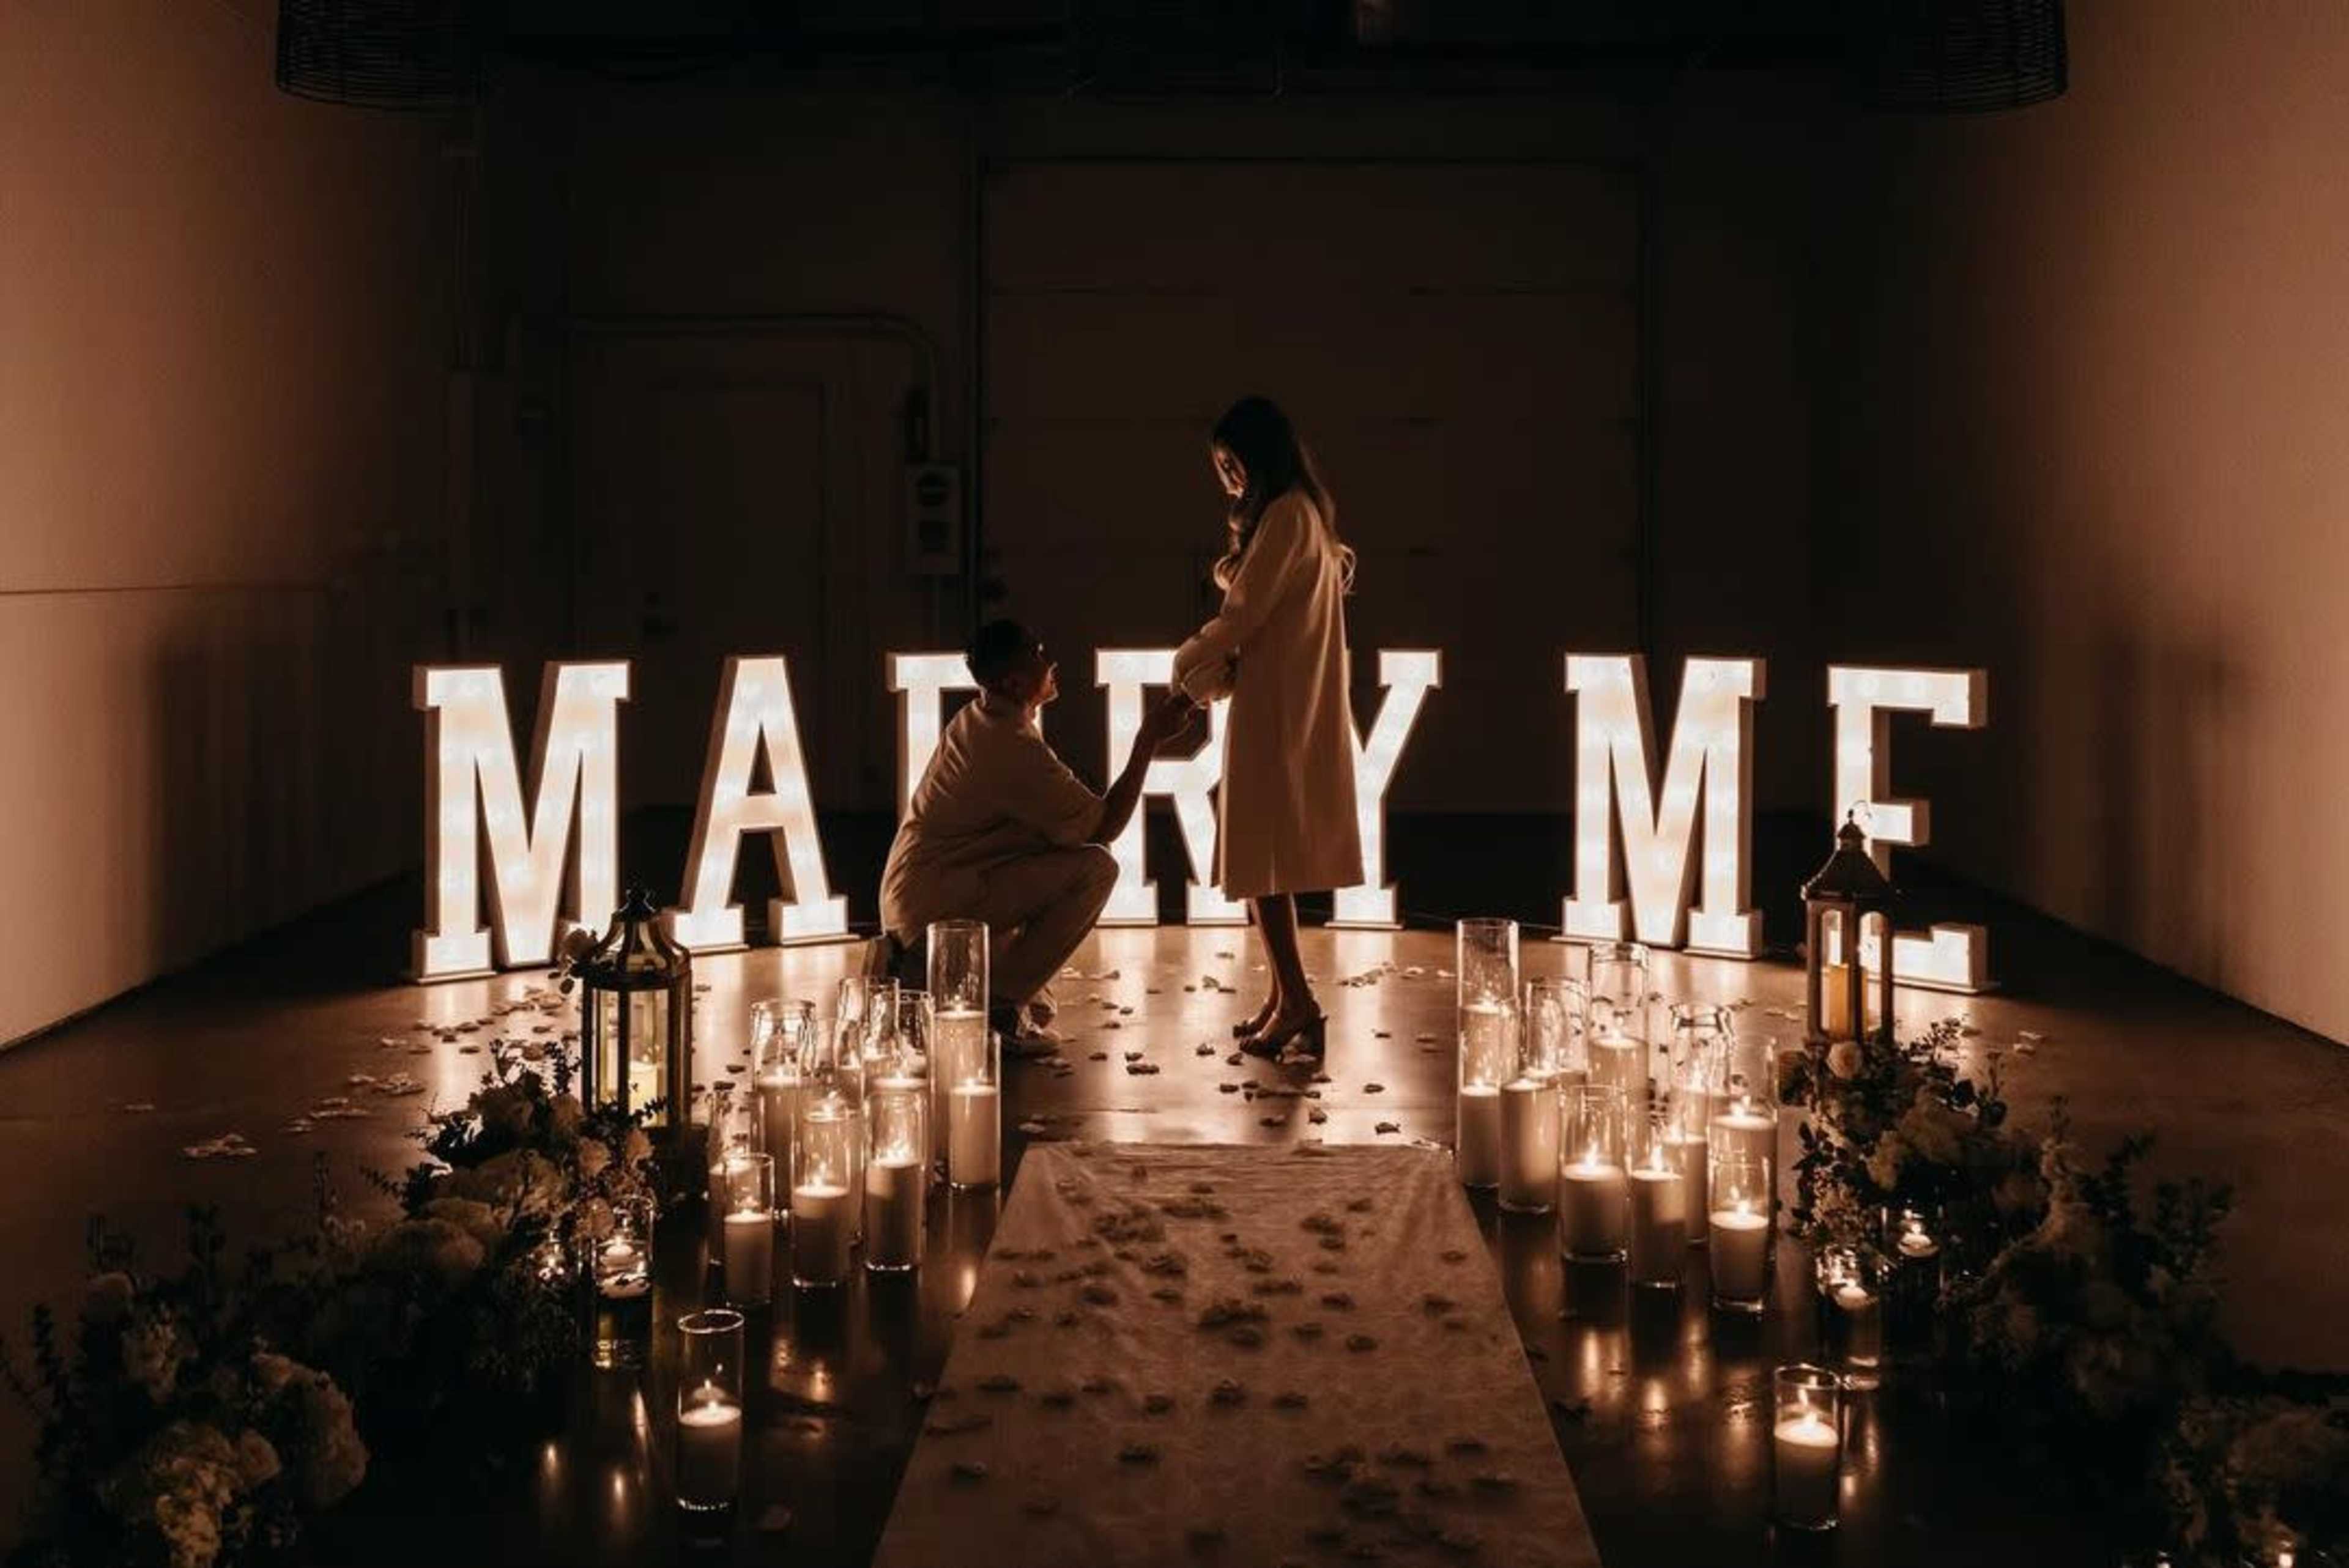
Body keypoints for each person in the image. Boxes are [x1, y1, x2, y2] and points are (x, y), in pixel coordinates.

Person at [877, 619, 1193, 1044]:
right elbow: (1105, 827)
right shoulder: (1008, 746)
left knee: (1042, 1003)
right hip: (933, 914)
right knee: (1096, 869)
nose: (1051, 660)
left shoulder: (980, 720)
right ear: (1014, 681)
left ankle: (983, 992)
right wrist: (1147, 740)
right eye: (1039, 654)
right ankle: (997, 1008)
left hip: (920, 903)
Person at [1173, 396, 1363, 1060]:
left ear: (1258, 457)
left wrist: (1187, 666)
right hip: (1284, 702)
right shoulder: (1304, 517)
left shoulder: (1285, 517)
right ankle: (1286, 998)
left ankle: (1298, 1002)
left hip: (1277, 709)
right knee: (1261, 853)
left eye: (1232, 463)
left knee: (1264, 859)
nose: (1226, 478)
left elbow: (1245, 615)